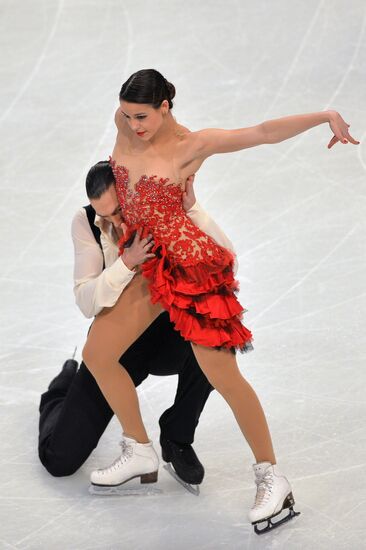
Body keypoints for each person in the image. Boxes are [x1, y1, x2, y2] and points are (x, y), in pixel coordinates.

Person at [81, 69, 359, 533]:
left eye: (142, 116)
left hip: (188, 268)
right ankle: (140, 451)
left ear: (166, 106)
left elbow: (262, 133)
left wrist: (324, 115)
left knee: (223, 376)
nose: (133, 125)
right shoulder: (122, 120)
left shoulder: (192, 146)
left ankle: (273, 476)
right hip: (144, 258)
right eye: (127, 116)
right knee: (98, 354)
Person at [38, 160, 238, 485]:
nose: (114, 221)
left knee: (215, 330)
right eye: (105, 216)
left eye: (118, 210)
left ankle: (177, 435)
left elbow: (226, 259)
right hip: (116, 348)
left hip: (168, 337)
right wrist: (126, 263)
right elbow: (87, 301)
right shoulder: (86, 222)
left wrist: (194, 209)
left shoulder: (162, 211)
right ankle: (61, 386)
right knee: (58, 459)